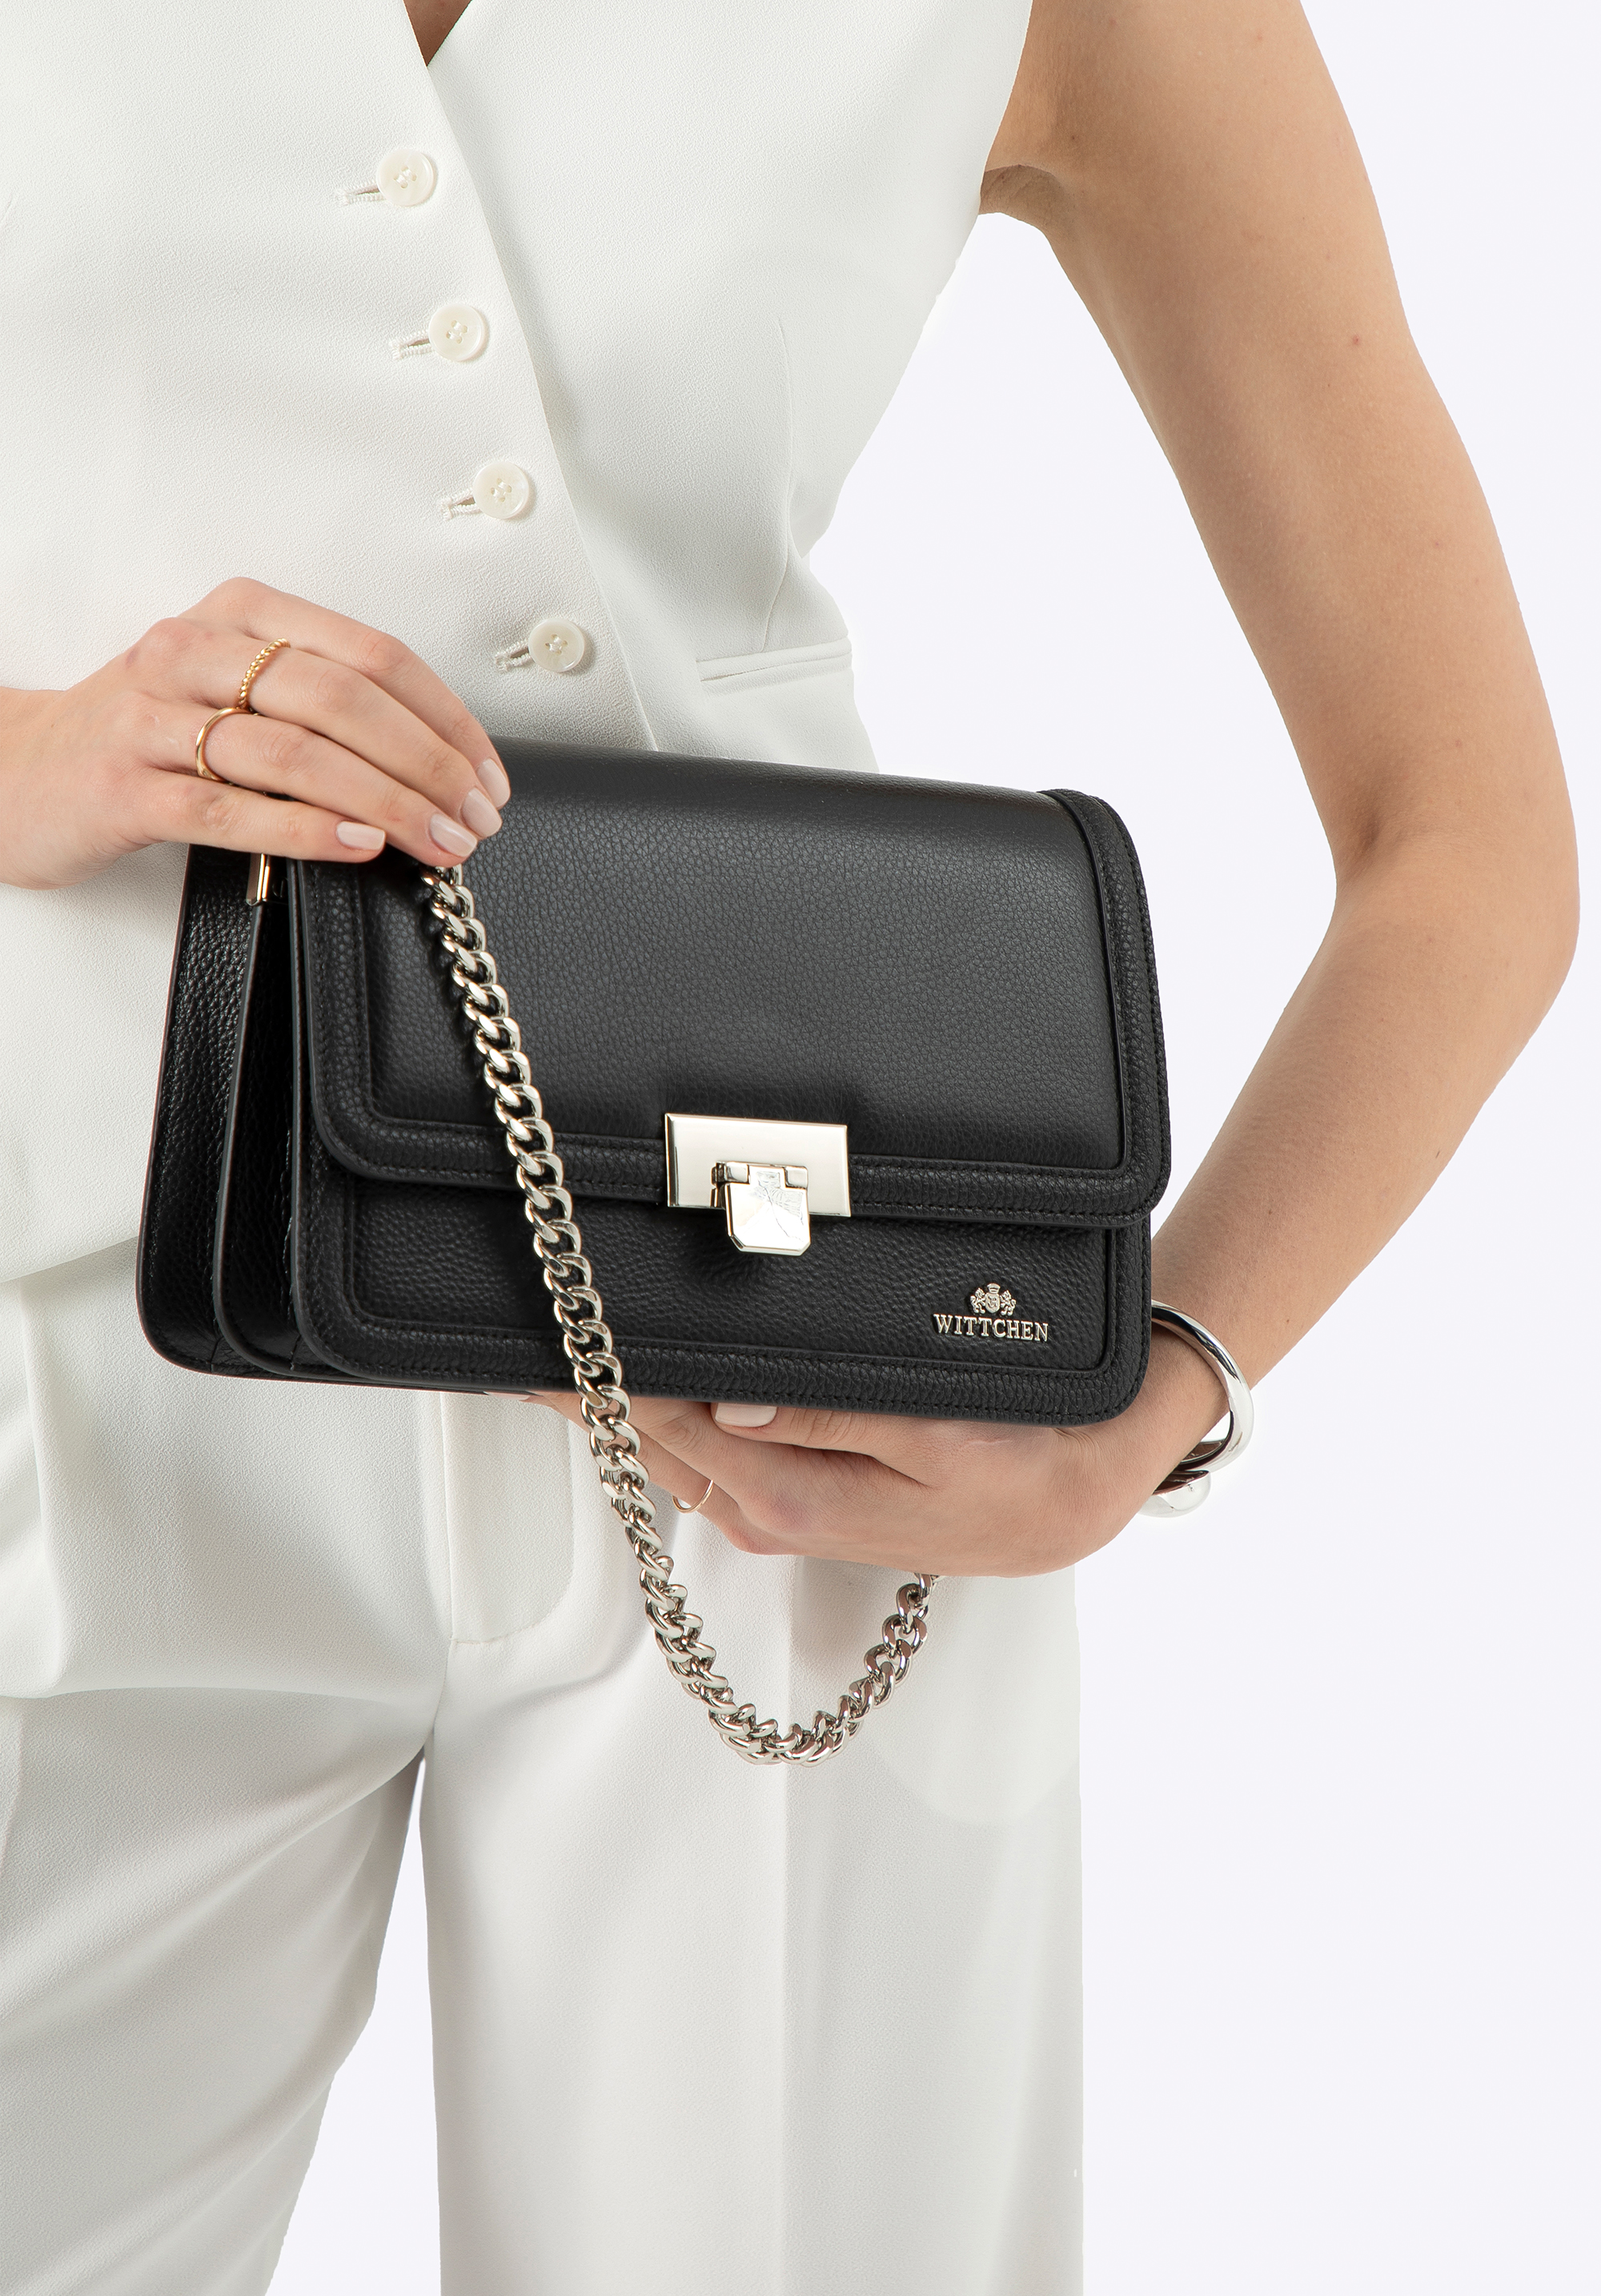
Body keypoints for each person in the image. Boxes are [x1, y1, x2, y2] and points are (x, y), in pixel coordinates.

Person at [0, 0, 1575, 2290]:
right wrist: (33, 755)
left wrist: (1155, 1393)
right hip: (84, 1374)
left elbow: (1469, 839)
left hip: (802, 1428)